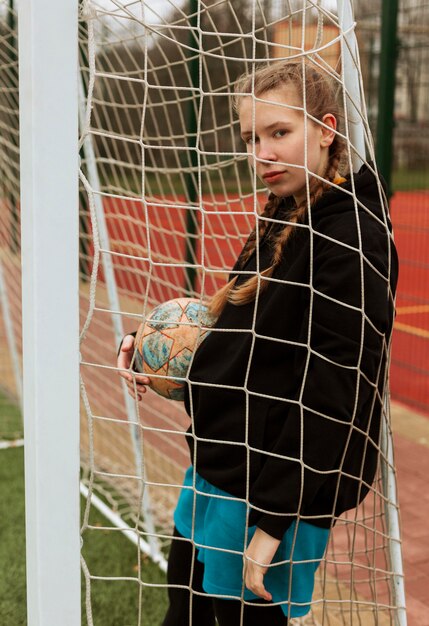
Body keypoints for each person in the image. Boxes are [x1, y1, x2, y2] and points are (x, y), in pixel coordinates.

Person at [117, 60, 398, 625]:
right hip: (221, 468)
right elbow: (246, 329)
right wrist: (150, 343)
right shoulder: (288, 208)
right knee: (184, 613)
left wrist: (273, 524)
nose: (261, 153)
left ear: (325, 129)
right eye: (251, 138)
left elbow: (340, 395)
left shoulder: (355, 239)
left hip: (274, 497)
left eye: (279, 133)